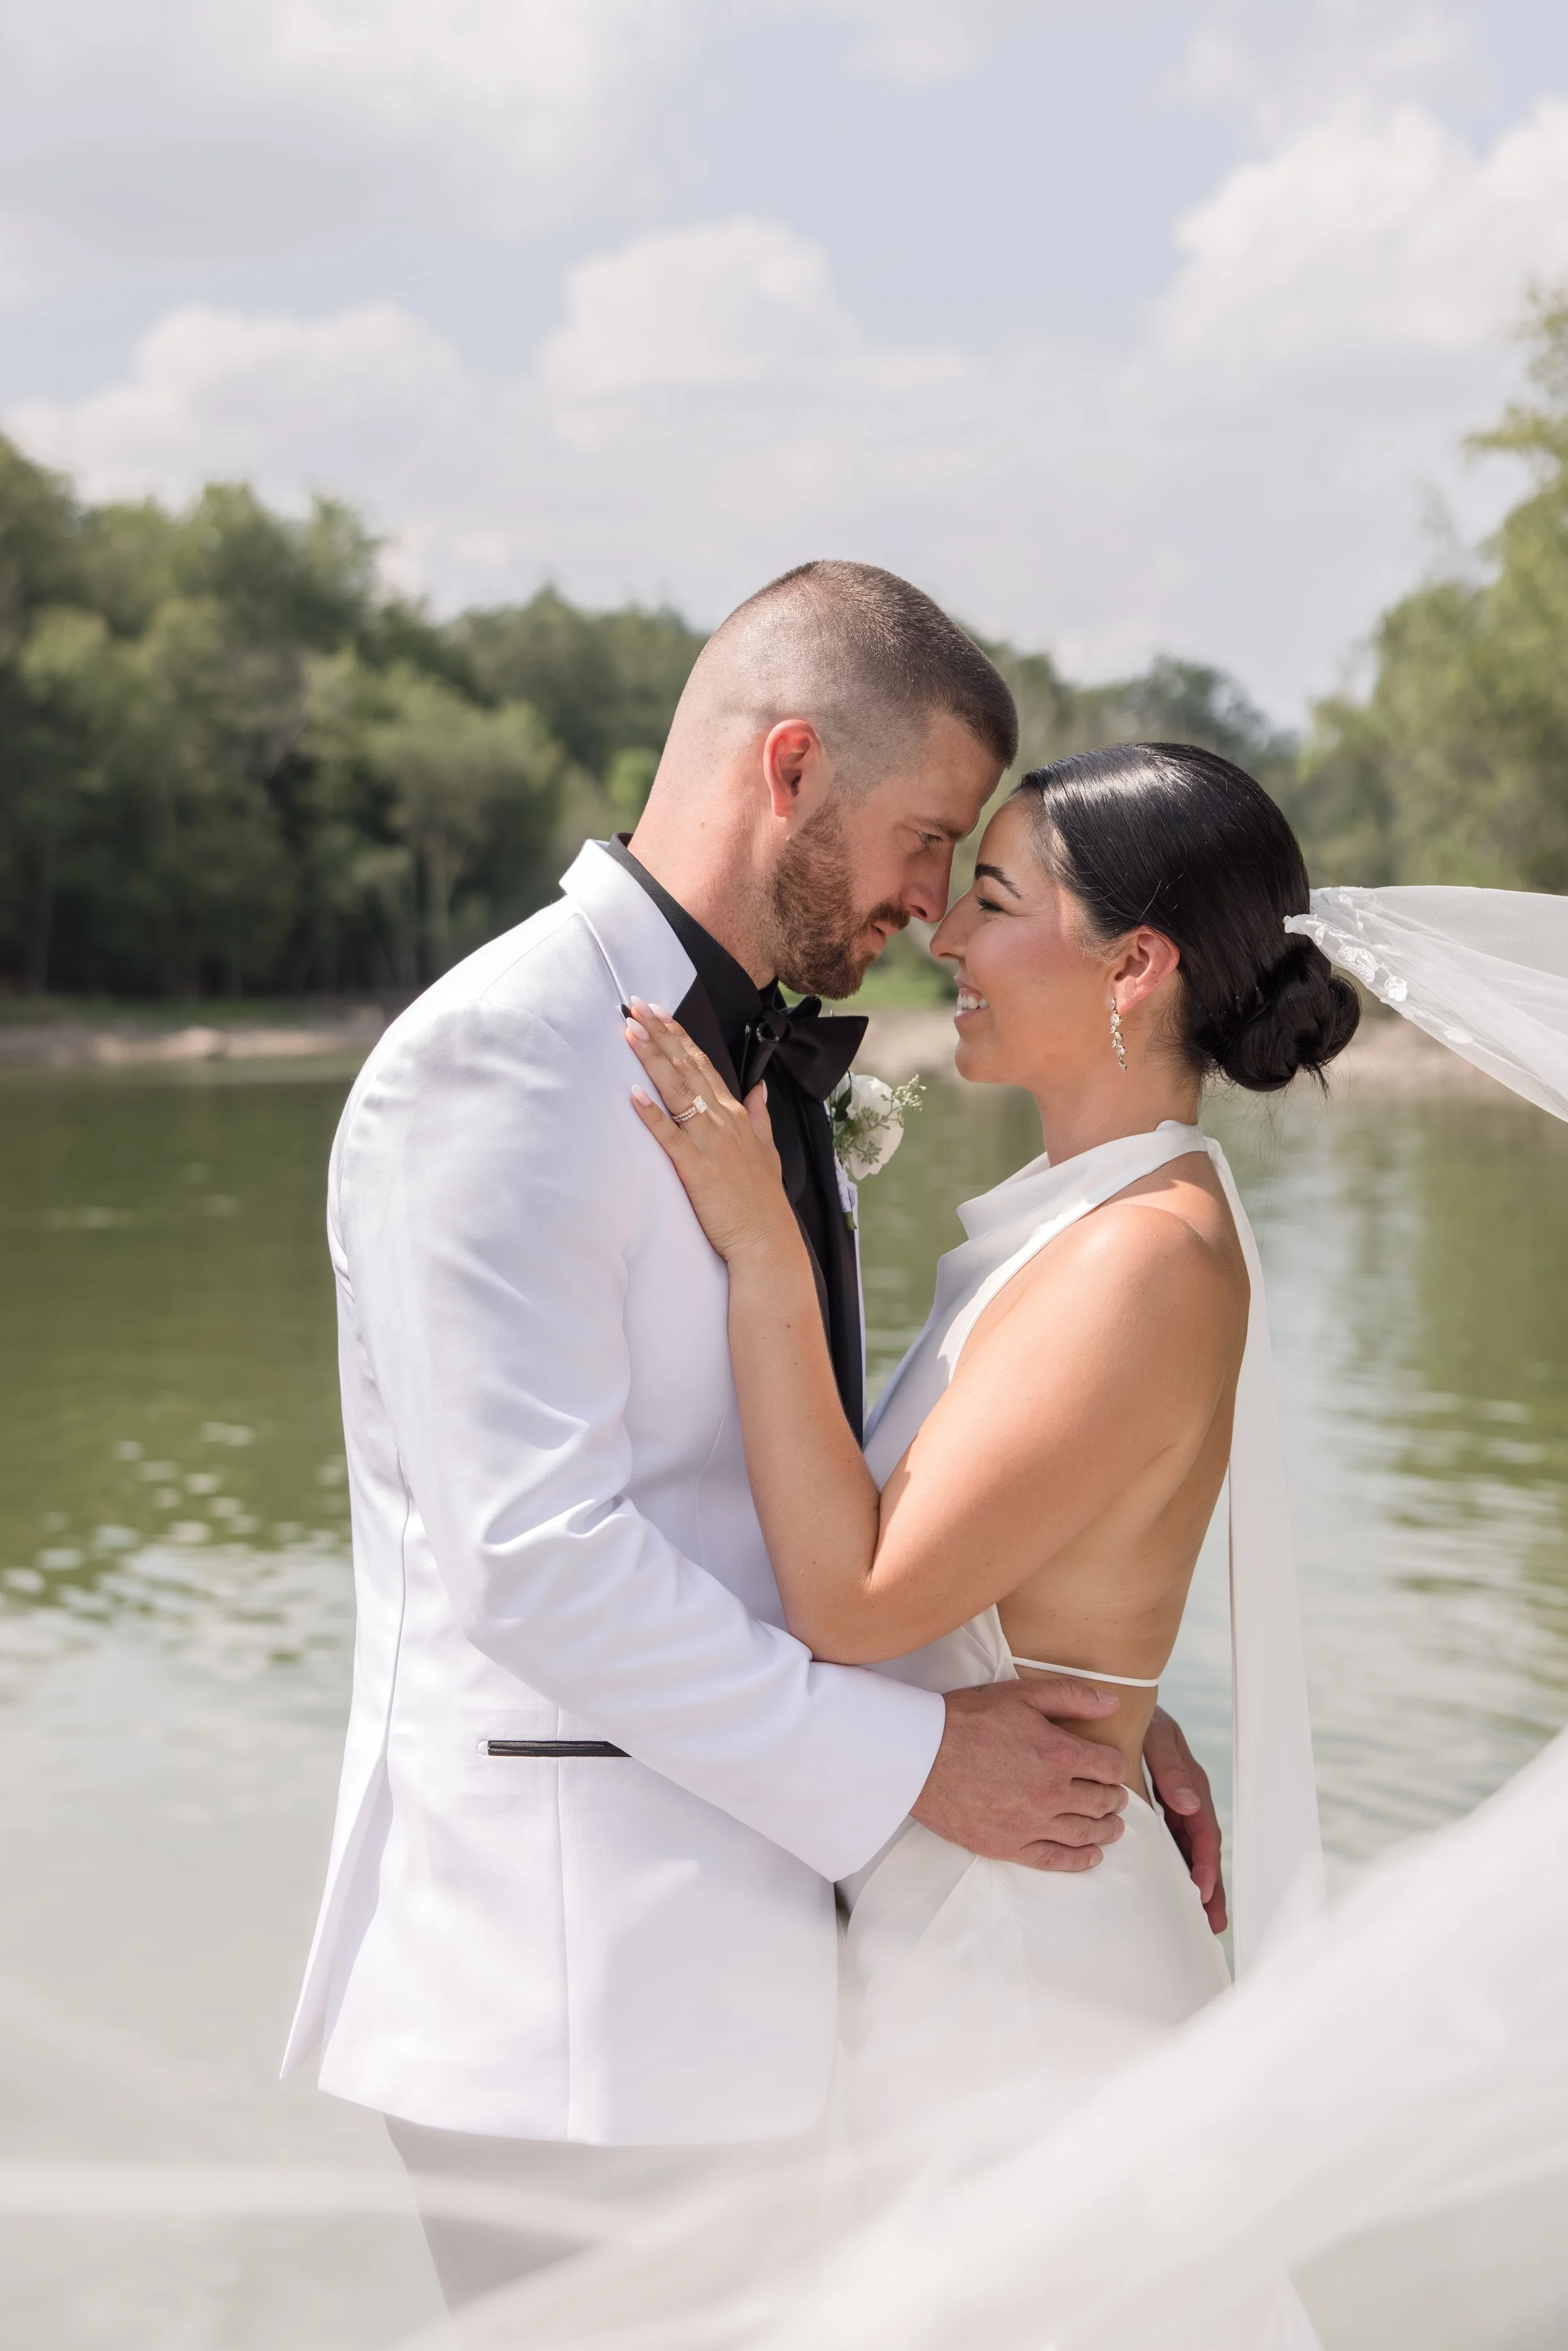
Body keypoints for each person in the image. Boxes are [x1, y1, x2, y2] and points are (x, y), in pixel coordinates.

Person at [280, 566, 1223, 2308]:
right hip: (572, 1993)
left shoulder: (761, 1061)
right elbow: (536, 1563)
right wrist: (921, 1768)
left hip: (757, 1974)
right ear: (789, 766)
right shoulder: (503, 1058)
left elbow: (799, 1486)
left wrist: (1079, 1689)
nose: (934, 906)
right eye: (928, 839)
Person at [625, 740, 1362, 2345]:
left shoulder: (1141, 1257)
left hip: (1024, 1981)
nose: (945, 936)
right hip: (972, 1921)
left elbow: (852, 1593)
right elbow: (1007, 1564)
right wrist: (1112, 1681)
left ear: (1133, 965)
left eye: (998, 896)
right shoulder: (1081, 1220)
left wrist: (759, 1242)